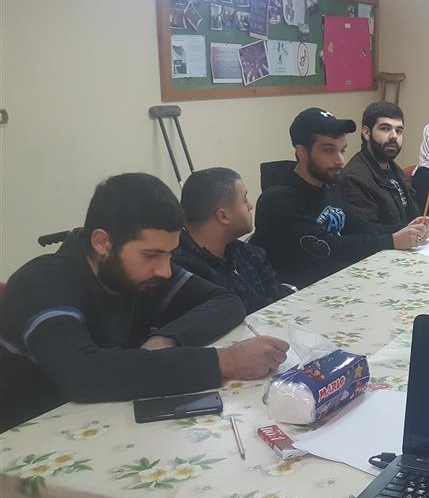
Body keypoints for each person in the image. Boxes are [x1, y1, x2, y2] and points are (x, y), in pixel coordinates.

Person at [0, 173, 289, 432]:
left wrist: (167, 339)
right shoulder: (43, 282)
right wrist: (226, 362)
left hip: (104, 420)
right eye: (151, 255)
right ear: (103, 242)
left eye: (169, 254)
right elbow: (82, 374)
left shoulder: (135, 271)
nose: (164, 270)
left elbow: (226, 301)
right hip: (28, 438)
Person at [250, 107, 429, 289]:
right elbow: (326, 247)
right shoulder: (278, 201)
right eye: (328, 151)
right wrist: (391, 240)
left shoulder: (327, 185)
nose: (340, 161)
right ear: (302, 152)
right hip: (296, 296)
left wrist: (405, 229)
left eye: (342, 151)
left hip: (334, 282)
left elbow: (356, 225)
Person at [173, 167, 293, 314]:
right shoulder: (182, 274)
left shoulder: (251, 254)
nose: (250, 206)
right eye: (244, 200)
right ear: (223, 216)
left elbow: (281, 303)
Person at [339, 101, 419, 226]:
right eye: (385, 129)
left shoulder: (392, 168)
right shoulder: (354, 178)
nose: (394, 136)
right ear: (366, 132)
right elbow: (367, 233)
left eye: (399, 131)